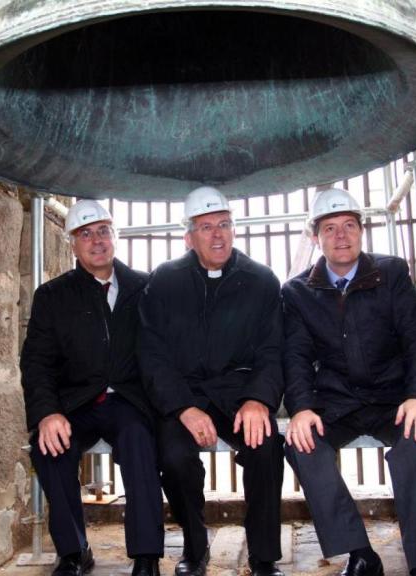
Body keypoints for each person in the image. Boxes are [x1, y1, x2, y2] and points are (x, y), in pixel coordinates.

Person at [281, 188, 416, 576]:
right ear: (316, 237)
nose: (341, 235)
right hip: (337, 402)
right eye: (330, 228)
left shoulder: (392, 275)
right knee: (302, 445)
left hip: (394, 400)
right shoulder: (298, 292)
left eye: (349, 226)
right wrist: (301, 408)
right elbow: (295, 356)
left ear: (361, 231)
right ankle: (360, 554)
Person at [139, 187, 285, 576]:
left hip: (240, 393)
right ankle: (194, 545)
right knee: (173, 456)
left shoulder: (261, 280)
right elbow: (152, 354)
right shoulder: (164, 281)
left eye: (224, 224)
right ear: (189, 238)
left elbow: (273, 350)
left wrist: (258, 400)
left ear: (234, 230)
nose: (217, 235)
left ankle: (264, 556)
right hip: (184, 395)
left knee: (266, 446)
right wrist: (183, 407)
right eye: (206, 227)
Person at [21, 200, 163, 576]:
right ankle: (74, 552)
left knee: (138, 438)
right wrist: (47, 413)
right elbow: (36, 363)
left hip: (129, 400)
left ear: (115, 236)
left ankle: (146, 555)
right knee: (49, 448)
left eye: (103, 231)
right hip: (75, 403)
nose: (96, 240)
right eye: (86, 234)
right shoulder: (52, 296)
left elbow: (163, 352)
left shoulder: (146, 288)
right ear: (72, 244)